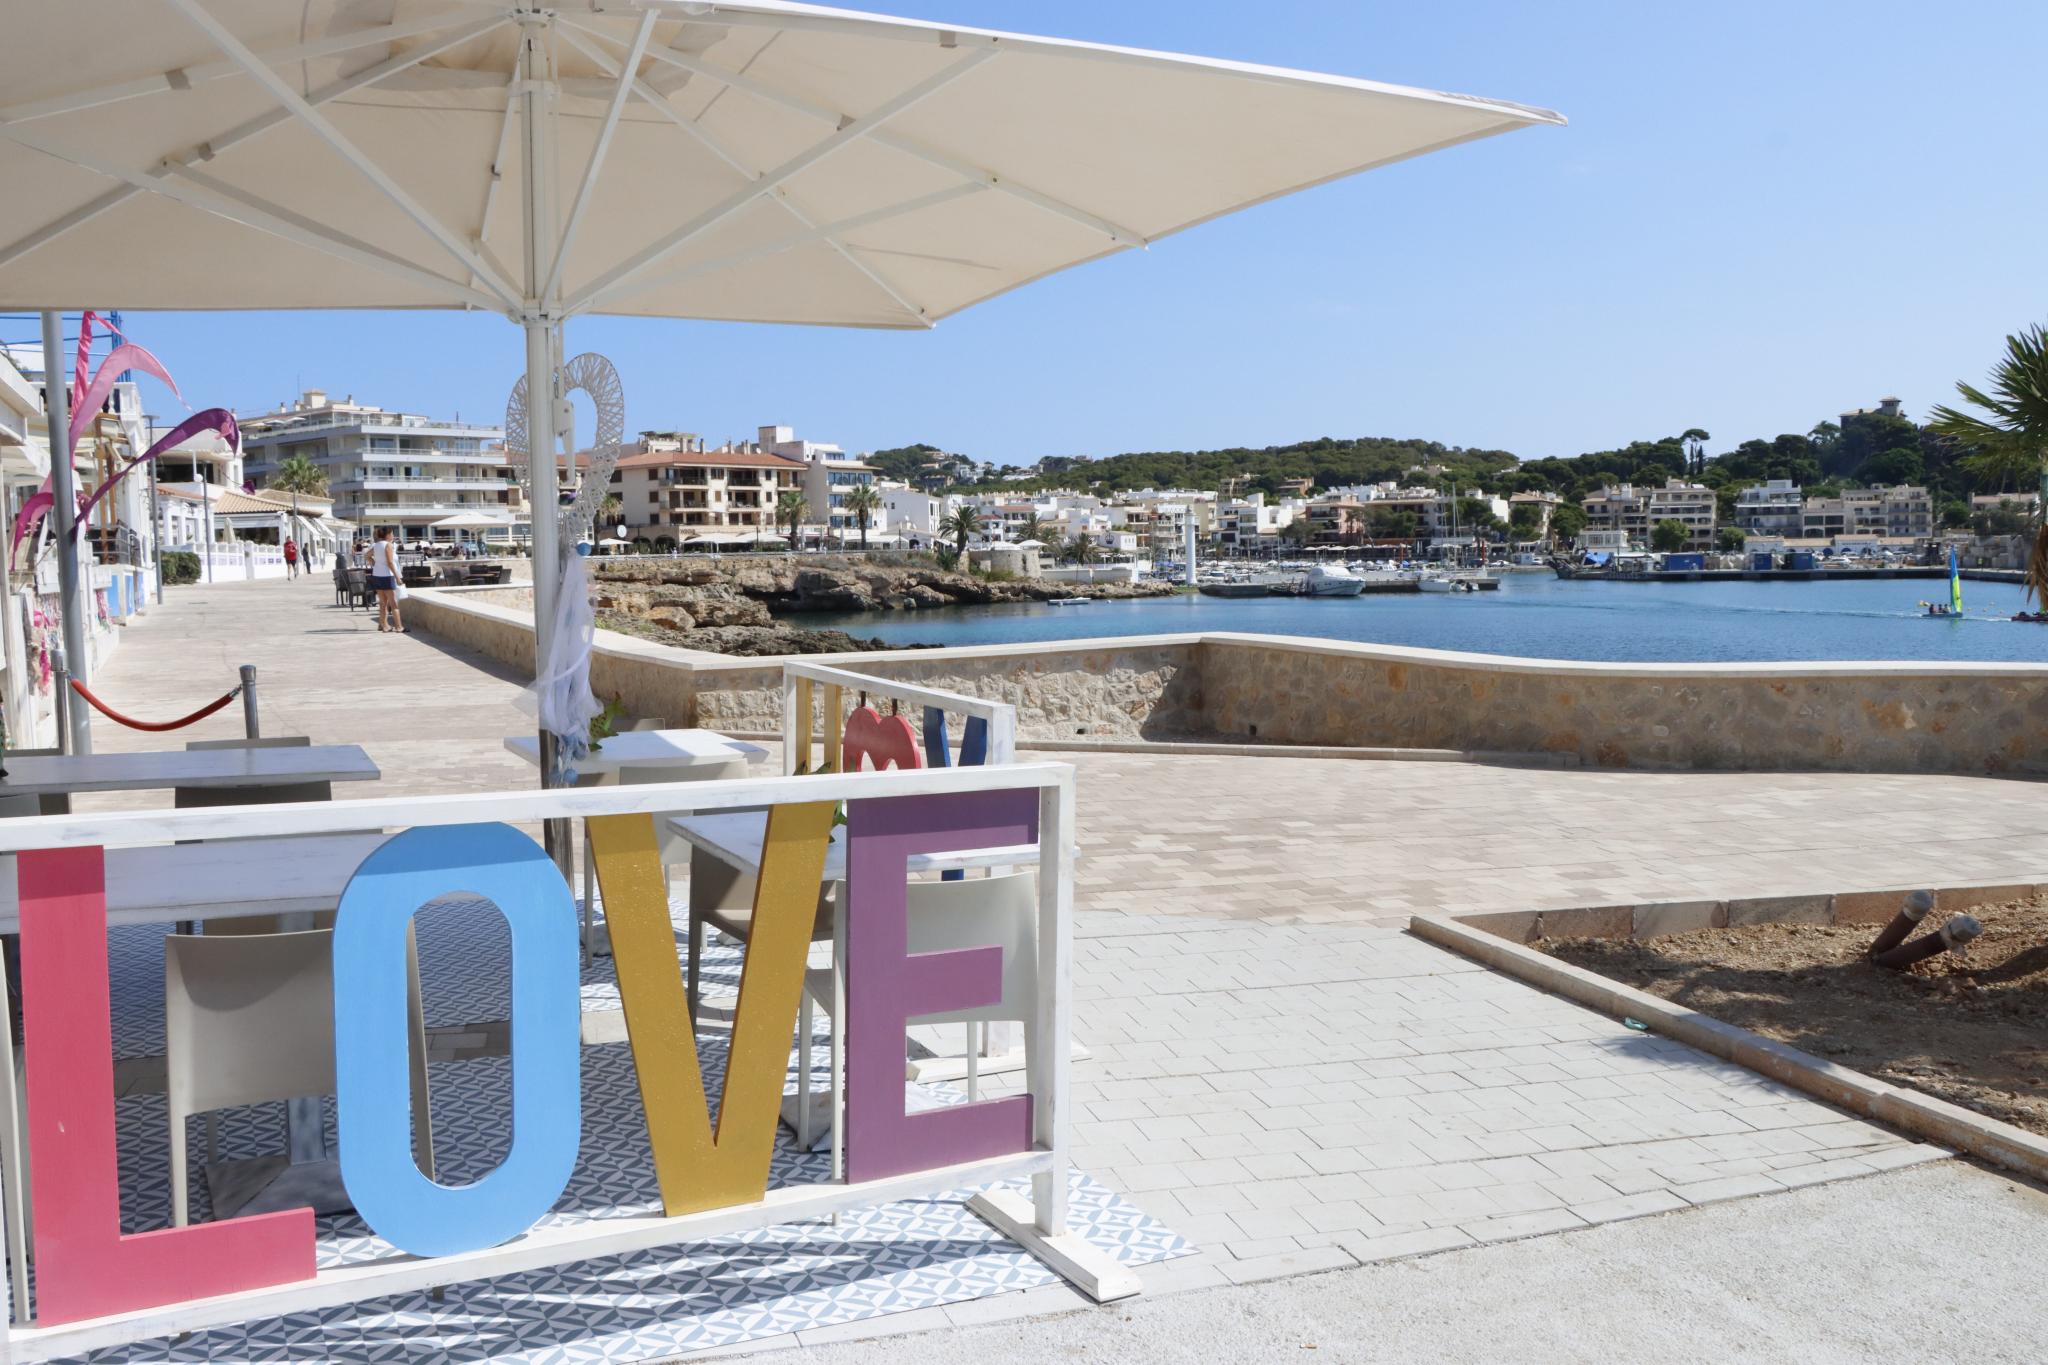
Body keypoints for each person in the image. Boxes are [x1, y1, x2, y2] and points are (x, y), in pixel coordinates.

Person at [367, 527, 406, 634]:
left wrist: (373, 563)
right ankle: (399, 627)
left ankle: (384, 626)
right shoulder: (388, 545)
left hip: (377, 575)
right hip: (387, 576)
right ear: (387, 535)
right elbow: (390, 562)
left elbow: (366, 555)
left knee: (383, 603)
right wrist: (397, 577)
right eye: (392, 533)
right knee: (393, 603)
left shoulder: (376, 545)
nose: (393, 536)